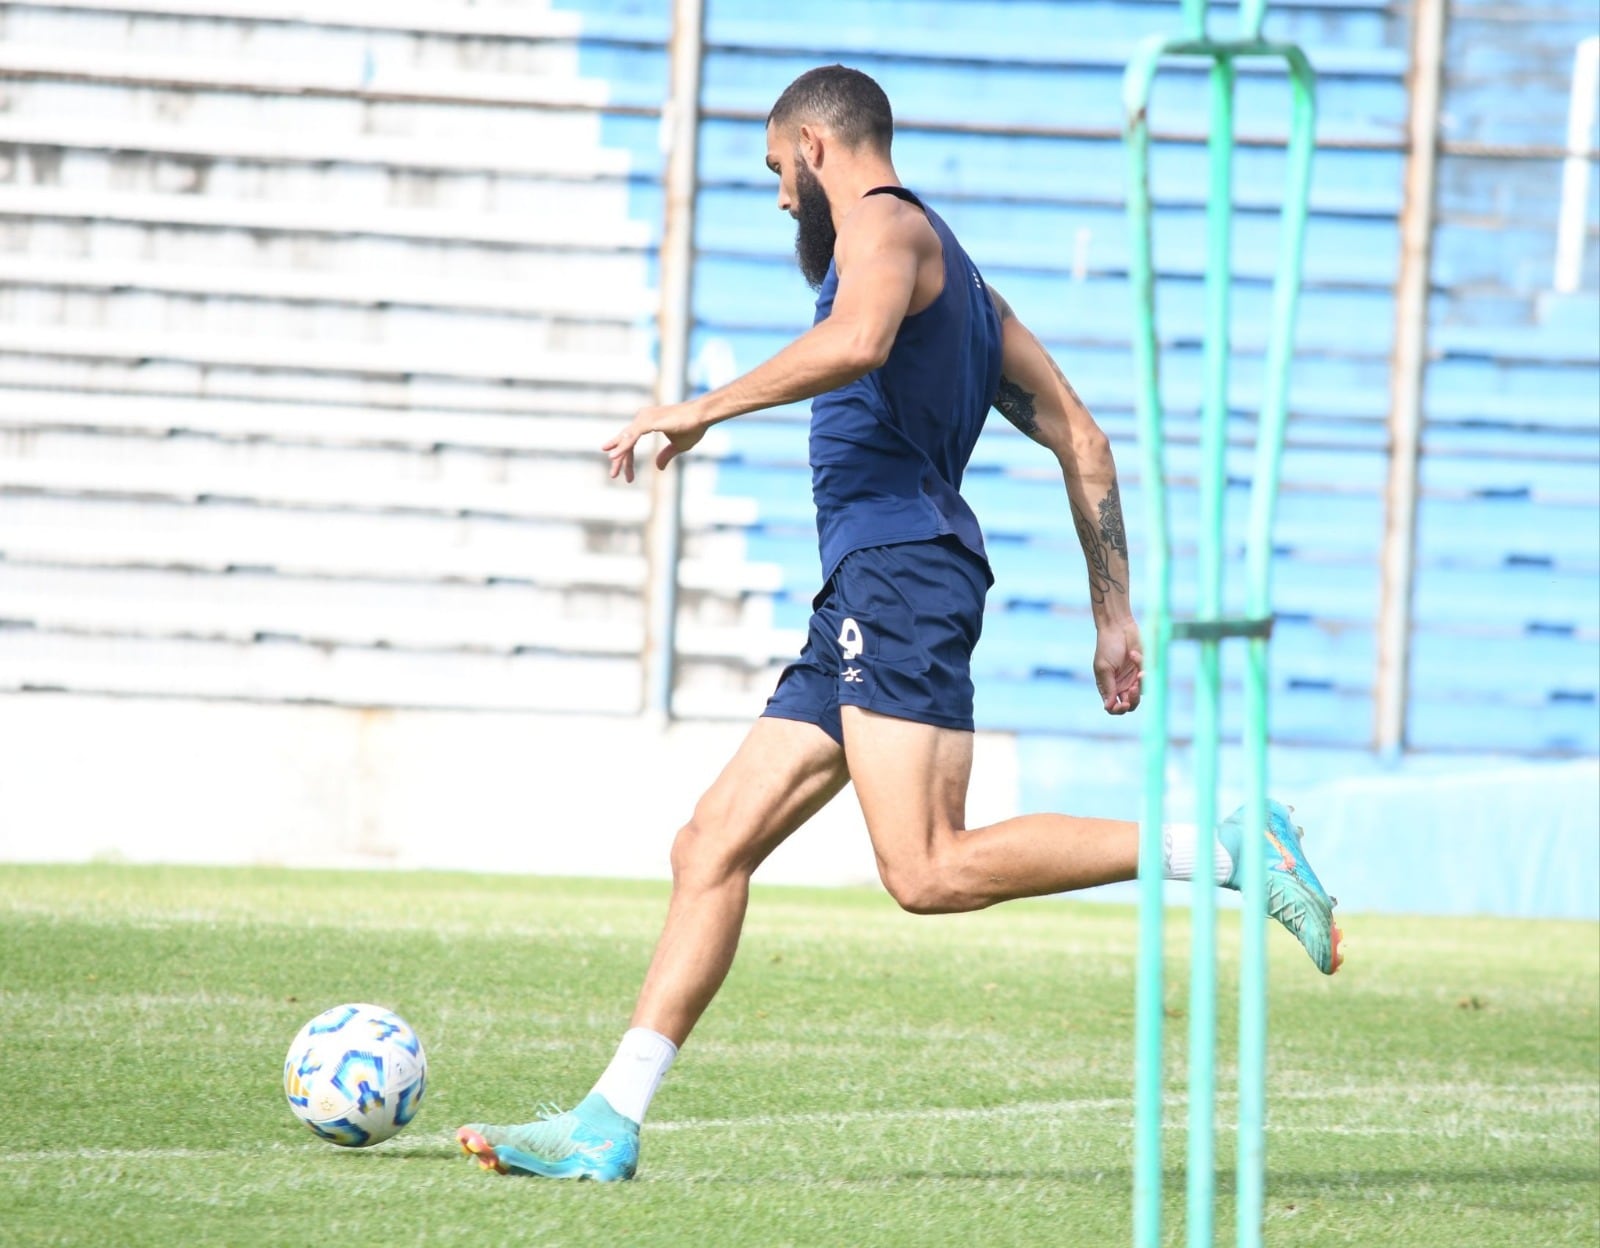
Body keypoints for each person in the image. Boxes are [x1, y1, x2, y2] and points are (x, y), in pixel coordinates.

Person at [457, 64, 1342, 1183]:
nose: (781, 198)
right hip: (866, 589)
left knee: (927, 868)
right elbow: (1082, 436)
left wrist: (697, 407)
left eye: (779, 170)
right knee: (710, 842)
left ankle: (1215, 845)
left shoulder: (884, 229)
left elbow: (859, 342)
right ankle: (606, 1122)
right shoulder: (960, 277)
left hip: (901, 575)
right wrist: (1112, 611)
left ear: (816, 149)